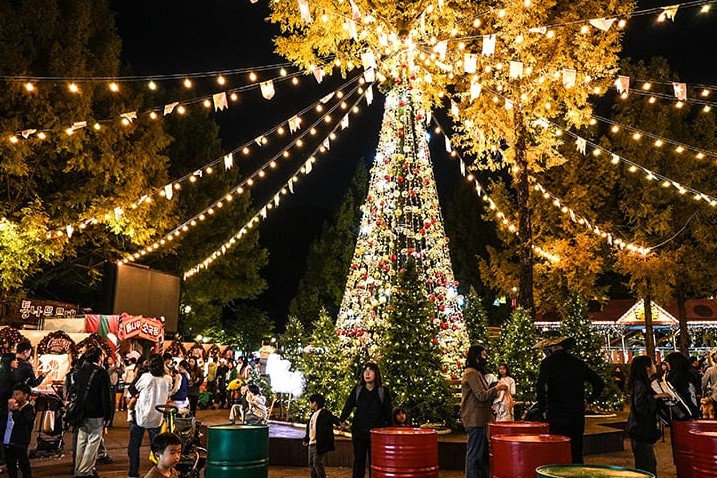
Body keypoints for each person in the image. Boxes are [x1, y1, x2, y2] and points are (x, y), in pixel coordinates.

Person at [536, 336, 604, 464]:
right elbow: (599, 383)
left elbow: (540, 386)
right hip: (576, 413)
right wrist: (589, 400)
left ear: (551, 348)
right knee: (576, 451)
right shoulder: (577, 362)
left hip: (557, 412)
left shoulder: (547, 363)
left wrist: (542, 408)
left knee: (558, 451)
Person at [339, 362, 393, 478]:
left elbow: (388, 412)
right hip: (359, 432)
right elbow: (348, 406)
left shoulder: (383, 391)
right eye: (365, 371)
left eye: (371, 371)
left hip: (376, 433)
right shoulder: (358, 390)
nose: (367, 373)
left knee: (375, 462)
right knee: (359, 461)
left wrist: (391, 428)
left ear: (376, 374)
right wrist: (341, 420)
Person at [461, 345, 506, 478]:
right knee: (475, 455)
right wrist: (496, 388)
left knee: (481, 454)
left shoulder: (477, 373)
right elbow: (481, 395)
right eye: (483, 355)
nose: (485, 358)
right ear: (476, 356)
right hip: (475, 419)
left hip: (480, 419)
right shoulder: (471, 373)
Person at [127, 354, 170, 478]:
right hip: (157, 417)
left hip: (140, 416)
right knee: (157, 448)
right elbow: (170, 392)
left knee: (134, 446)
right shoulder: (167, 378)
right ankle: (157, 472)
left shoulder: (146, 377)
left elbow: (133, 389)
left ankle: (133, 473)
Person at [627, 355, 670, 477]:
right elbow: (641, 407)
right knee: (646, 465)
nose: (655, 365)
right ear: (646, 368)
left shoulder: (642, 383)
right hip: (641, 430)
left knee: (647, 462)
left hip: (641, 430)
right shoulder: (640, 384)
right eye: (652, 363)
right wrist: (658, 396)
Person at [73, 347, 113, 478]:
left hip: (81, 412)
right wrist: (108, 415)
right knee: (93, 441)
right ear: (99, 357)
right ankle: (84, 471)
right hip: (96, 412)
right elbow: (106, 397)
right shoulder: (102, 373)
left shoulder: (79, 372)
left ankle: (79, 467)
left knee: (82, 440)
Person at [303, 393, 340, 478]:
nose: (309, 404)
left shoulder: (324, 413)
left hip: (319, 443)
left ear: (315, 403)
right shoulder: (312, 415)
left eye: (310, 402)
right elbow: (310, 429)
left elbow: (332, 418)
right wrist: (306, 439)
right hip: (311, 443)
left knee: (317, 463)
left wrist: (339, 422)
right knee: (311, 464)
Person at [4, 383, 35, 478]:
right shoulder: (11, 408)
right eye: (14, 395)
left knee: (23, 463)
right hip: (8, 439)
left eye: (17, 394)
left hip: (21, 441)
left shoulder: (28, 408)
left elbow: (22, 421)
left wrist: (15, 410)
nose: (15, 397)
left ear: (25, 395)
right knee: (10, 463)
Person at [665, 352, 700, 418]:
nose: (667, 364)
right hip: (687, 405)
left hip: (684, 405)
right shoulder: (686, 372)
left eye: (668, 362)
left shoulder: (678, 375)